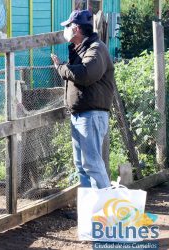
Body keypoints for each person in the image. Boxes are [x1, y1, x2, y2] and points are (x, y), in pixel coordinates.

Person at [51, 10, 114, 189]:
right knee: (81, 166)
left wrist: (60, 68)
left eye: (69, 26)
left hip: (91, 116)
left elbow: (86, 74)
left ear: (77, 28)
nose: (66, 30)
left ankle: (103, 212)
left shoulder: (96, 49)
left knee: (92, 165)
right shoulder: (82, 49)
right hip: (80, 115)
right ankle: (89, 212)